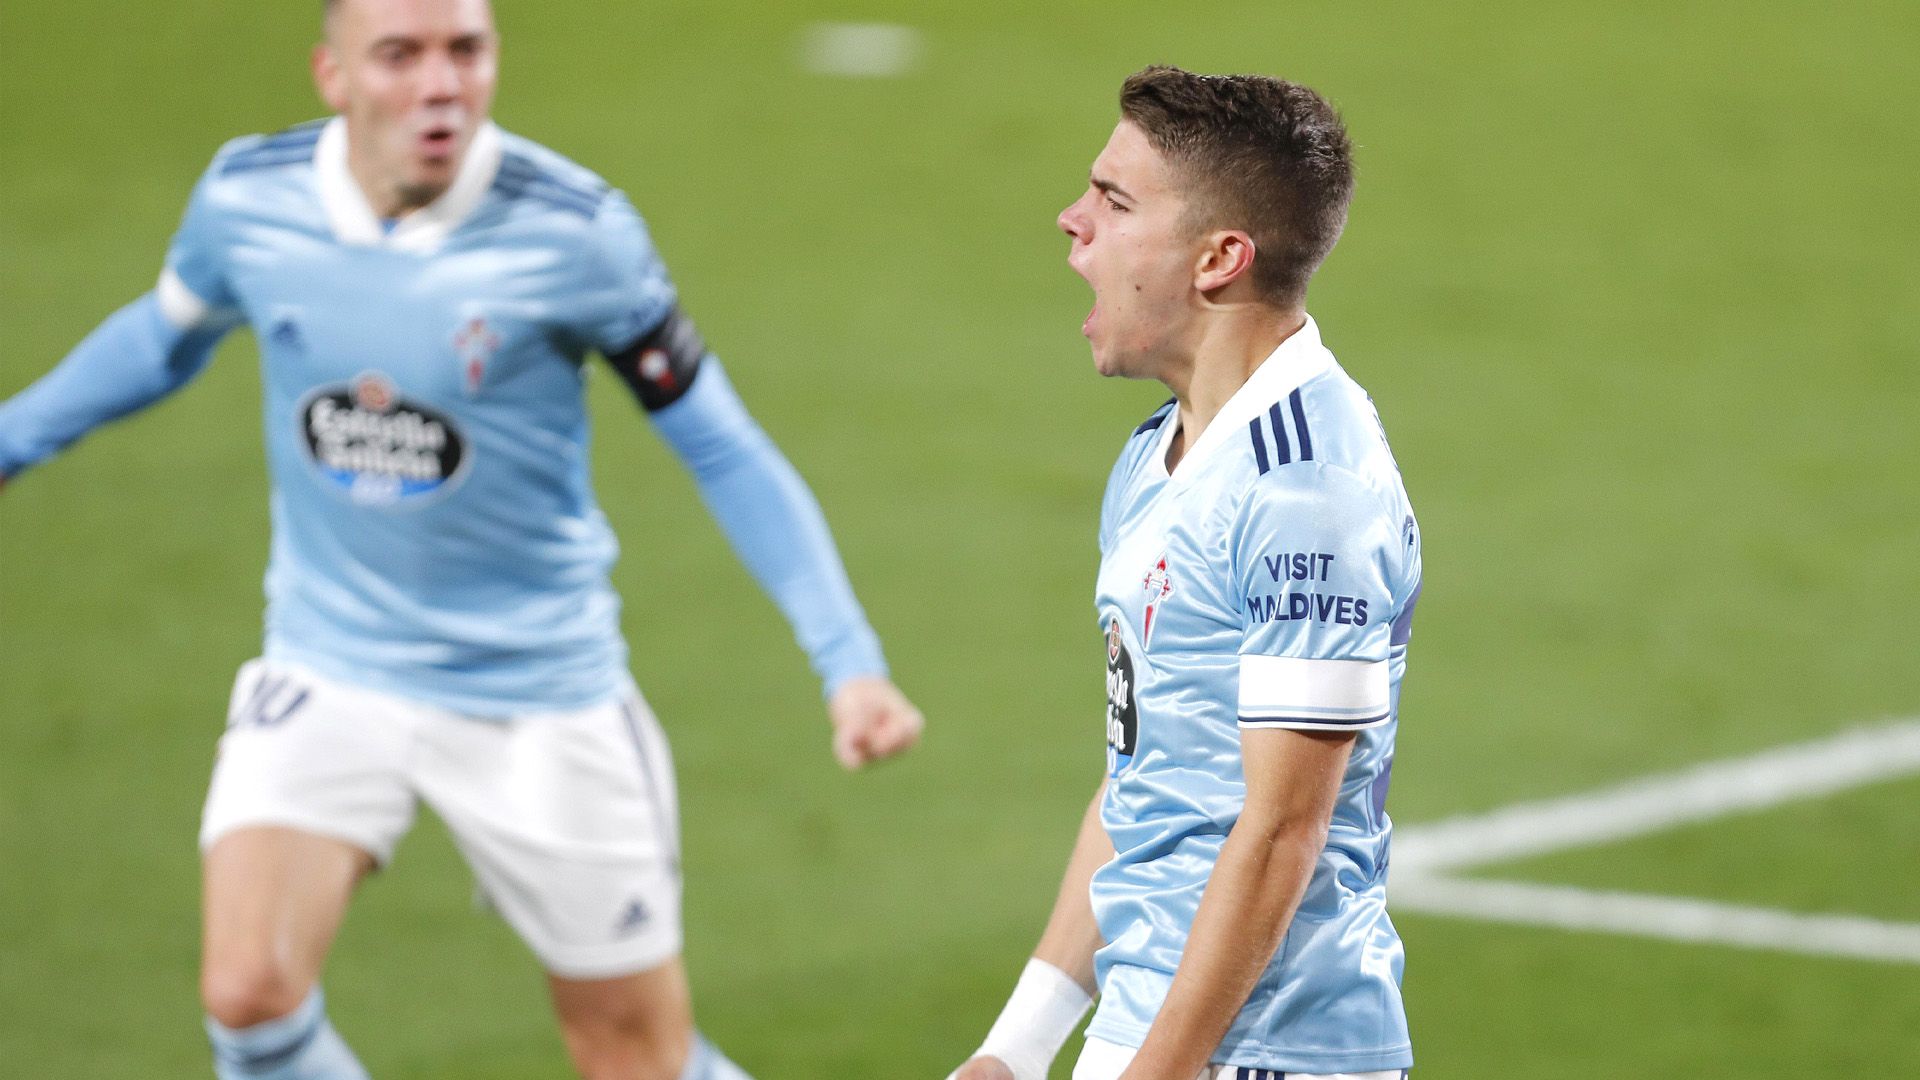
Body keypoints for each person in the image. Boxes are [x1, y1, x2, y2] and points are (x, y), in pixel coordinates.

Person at [0, 1, 925, 1077]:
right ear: (332, 74)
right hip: (330, 665)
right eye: (400, 55)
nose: (441, 84)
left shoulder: (576, 231)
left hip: (541, 696)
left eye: (466, 51)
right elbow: (163, 337)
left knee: (634, 1058)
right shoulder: (248, 200)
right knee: (248, 994)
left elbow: (721, 447)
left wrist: (847, 659)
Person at [948, 67, 1421, 1080]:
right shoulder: (1160, 454)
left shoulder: (1308, 488)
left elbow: (1284, 828)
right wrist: (1017, 1048)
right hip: (1151, 1033)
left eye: (1115, 202)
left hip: (1268, 1050)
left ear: (1219, 258)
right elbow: (1142, 781)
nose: (1072, 222)